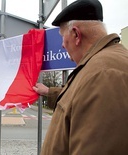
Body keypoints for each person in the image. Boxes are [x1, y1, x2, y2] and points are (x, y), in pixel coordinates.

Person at [33, 0, 128, 154]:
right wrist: (48, 92)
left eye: (62, 37)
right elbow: (78, 97)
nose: (62, 45)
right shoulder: (97, 67)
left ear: (76, 34)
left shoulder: (103, 74)